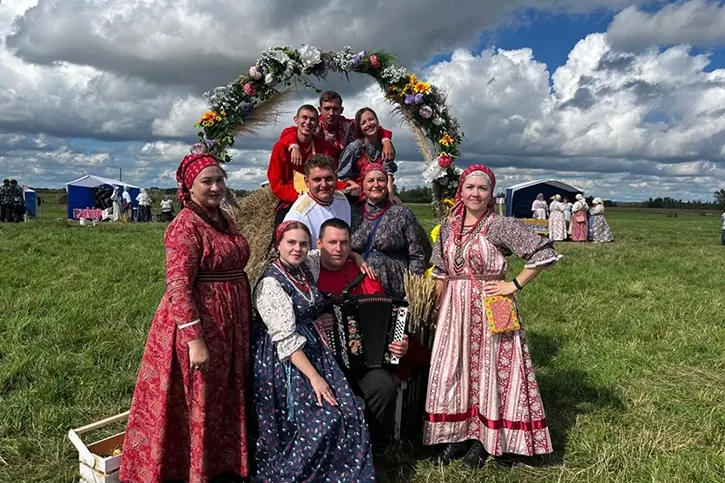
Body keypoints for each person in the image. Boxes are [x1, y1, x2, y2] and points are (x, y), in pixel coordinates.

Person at [120, 153, 252, 483]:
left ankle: (219, 464)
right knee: (198, 398)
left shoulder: (222, 218)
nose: (215, 187)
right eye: (207, 181)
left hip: (229, 324)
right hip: (200, 325)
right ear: (189, 187)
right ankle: (190, 470)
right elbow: (178, 286)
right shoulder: (185, 226)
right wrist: (195, 340)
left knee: (222, 394)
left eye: (219, 180)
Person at [423, 164, 560, 469]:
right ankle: (458, 435)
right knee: (455, 369)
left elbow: (543, 253)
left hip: (492, 305)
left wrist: (513, 285)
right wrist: (434, 306)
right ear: (461, 191)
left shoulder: (500, 225)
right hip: (454, 309)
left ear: (490, 193)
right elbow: (441, 271)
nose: (476, 193)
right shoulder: (448, 227)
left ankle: (487, 439)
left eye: (482, 188)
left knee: (493, 370)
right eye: (470, 187)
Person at [252, 220, 375, 482]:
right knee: (324, 417)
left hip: (314, 350)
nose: (297, 249)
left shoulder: (306, 265)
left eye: (303, 244)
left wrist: (356, 256)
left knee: (348, 410)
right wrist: (315, 378)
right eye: (291, 243)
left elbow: (331, 250)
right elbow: (286, 340)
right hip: (285, 361)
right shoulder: (271, 284)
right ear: (277, 245)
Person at [311, 218, 409, 444]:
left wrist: (398, 343)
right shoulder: (308, 274)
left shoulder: (365, 276)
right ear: (319, 244)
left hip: (363, 364)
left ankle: (366, 444)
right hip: (321, 361)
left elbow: (388, 320)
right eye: (332, 242)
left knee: (383, 387)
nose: (338, 248)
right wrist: (316, 322)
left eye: (344, 243)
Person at [350, 164, 426, 299]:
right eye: (370, 180)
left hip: (395, 286)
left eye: (381, 180)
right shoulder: (352, 213)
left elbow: (417, 255)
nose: (376, 185)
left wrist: (412, 290)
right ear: (362, 185)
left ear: (387, 184)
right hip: (360, 285)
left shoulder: (402, 213)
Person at [267, 105, 345, 228]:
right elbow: (276, 183)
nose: (308, 122)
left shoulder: (324, 147)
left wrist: (347, 185)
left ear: (317, 123)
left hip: (321, 194)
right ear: (296, 119)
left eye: (312, 119)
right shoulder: (281, 148)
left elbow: (330, 176)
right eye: (304, 118)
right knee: (284, 226)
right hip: (293, 198)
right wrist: (299, 197)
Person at [284, 154, 351, 249]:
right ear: (307, 182)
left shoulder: (342, 200)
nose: (324, 185)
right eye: (317, 180)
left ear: (336, 178)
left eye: (328, 178)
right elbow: (293, 254)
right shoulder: (299, 215)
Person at [337, 108, 397, 201]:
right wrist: (354, 185)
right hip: (356, 195)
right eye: (363, 123)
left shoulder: (386, 146)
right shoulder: (354, 148)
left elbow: (389, 172)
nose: (369, 124)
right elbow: (342, 175)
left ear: (377, 121)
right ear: (360, 128)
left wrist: (390, 194)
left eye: (371, 119)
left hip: (380, 192)